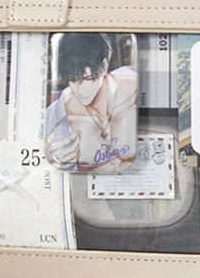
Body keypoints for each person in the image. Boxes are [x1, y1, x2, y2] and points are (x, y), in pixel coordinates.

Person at [45, 33, 137, 173]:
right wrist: (51, 157)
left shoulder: (132, 88)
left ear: (104, 67)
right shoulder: (58, 116)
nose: (80, 90)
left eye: (88, 79)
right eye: (73, 80)